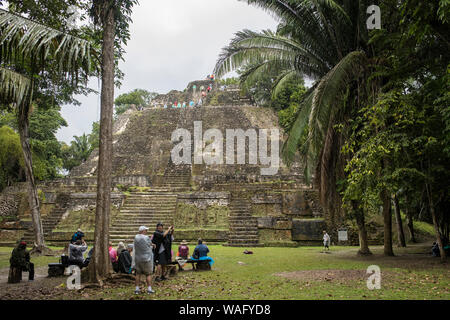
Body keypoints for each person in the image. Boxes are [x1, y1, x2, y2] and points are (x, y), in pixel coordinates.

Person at [134, 226, 155, 294]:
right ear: (142, 231)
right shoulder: (146, 238)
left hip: (138, 258)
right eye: (146, 230)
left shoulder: (136, 237)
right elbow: (150, 245)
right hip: (146, 258)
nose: (146, 231)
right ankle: (149, 289)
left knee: (138, 273)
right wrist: (153, 245)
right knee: (148, 274)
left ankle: (137, 289)